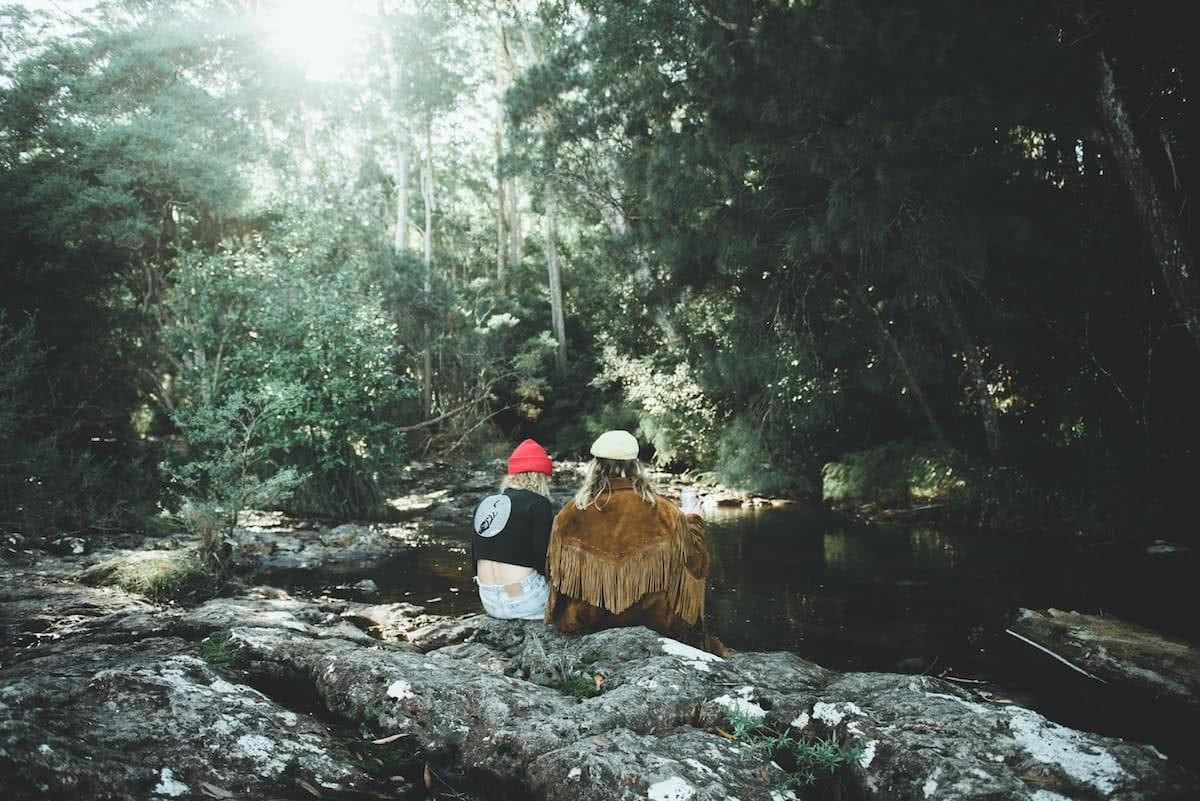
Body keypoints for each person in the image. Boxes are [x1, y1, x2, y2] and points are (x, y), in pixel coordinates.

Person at [544, 430, 723, 653]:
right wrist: (694, 520)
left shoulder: (569, 513)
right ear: (636, 467)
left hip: (589, 621)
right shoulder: (666, 511)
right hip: (654, 620)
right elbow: (697, 564)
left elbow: (556, 574)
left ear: (596, 466)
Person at [471, 439, 554, 620]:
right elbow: (543, 560)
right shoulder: (538, 504)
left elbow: (474, 559)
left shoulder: (484, 504)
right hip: (525, 599)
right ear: (540, 476)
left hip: (489, 600)